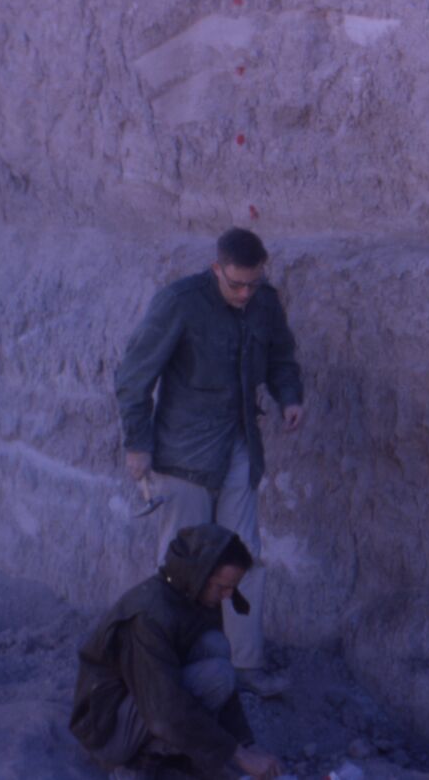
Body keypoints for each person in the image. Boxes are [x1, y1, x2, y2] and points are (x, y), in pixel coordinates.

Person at [115, 227, 304, 696]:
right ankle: (164, 671)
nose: (244, 294)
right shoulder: (179, 302)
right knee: (179, 568)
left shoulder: (264, 301)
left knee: (246, 557)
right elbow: (133, 376)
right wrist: (137, 443)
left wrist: (290, 396)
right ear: (216, 268)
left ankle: (246, 665)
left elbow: (281, 354)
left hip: (240, 445)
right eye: (235, 284)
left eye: (252, 284)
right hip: (183, 455)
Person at [70, 524, 285, 780]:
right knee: (216, 675)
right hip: (108, 729)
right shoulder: (148, 616)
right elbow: (165, 710)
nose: (228, 596)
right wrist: (237, 754)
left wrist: (247, 743)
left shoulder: (197, 596)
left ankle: (175, 750)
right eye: (223, 587)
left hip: (146, 699)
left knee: (216, 646)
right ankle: (141, 759)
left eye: (232, 588)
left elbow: (219, 697)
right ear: (199, 574)